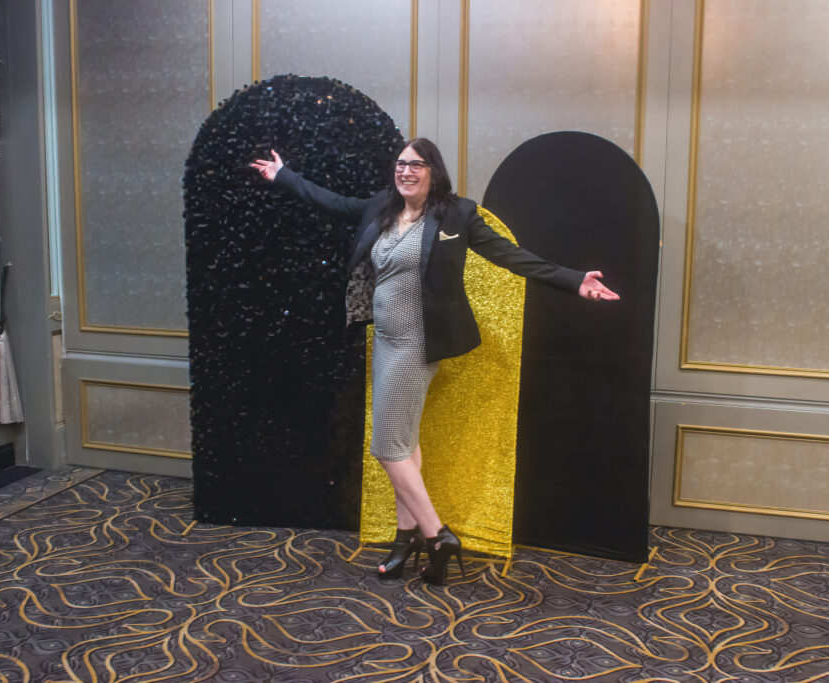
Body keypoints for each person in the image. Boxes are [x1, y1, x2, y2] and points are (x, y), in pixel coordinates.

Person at [251, 138, 618, 585]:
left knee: (386, 448)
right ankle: (405, 540)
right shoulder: (381, 208)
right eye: (401, 164)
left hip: (417, 344)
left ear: (433, 171)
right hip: (385, 340)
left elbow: (509, 255)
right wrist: (284, 176)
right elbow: (330, 201)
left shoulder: (455, 214)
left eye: (416, 164)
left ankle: (438, 535)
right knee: (405, 445)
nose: (406, 171)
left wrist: (574, 280)